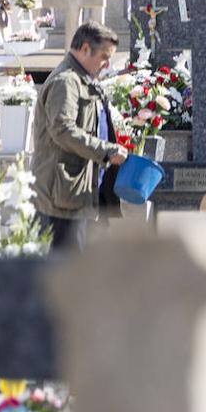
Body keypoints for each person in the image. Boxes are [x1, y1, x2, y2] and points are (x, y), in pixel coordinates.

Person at [31, 21, 127, 250]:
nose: (107, 64)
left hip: (79, 193)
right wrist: (105, 151)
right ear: (85, 49)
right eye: (104, 56)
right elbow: (62, 129)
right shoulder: (66, 82)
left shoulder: (84, 80)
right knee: (63, 271)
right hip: (62, 198)